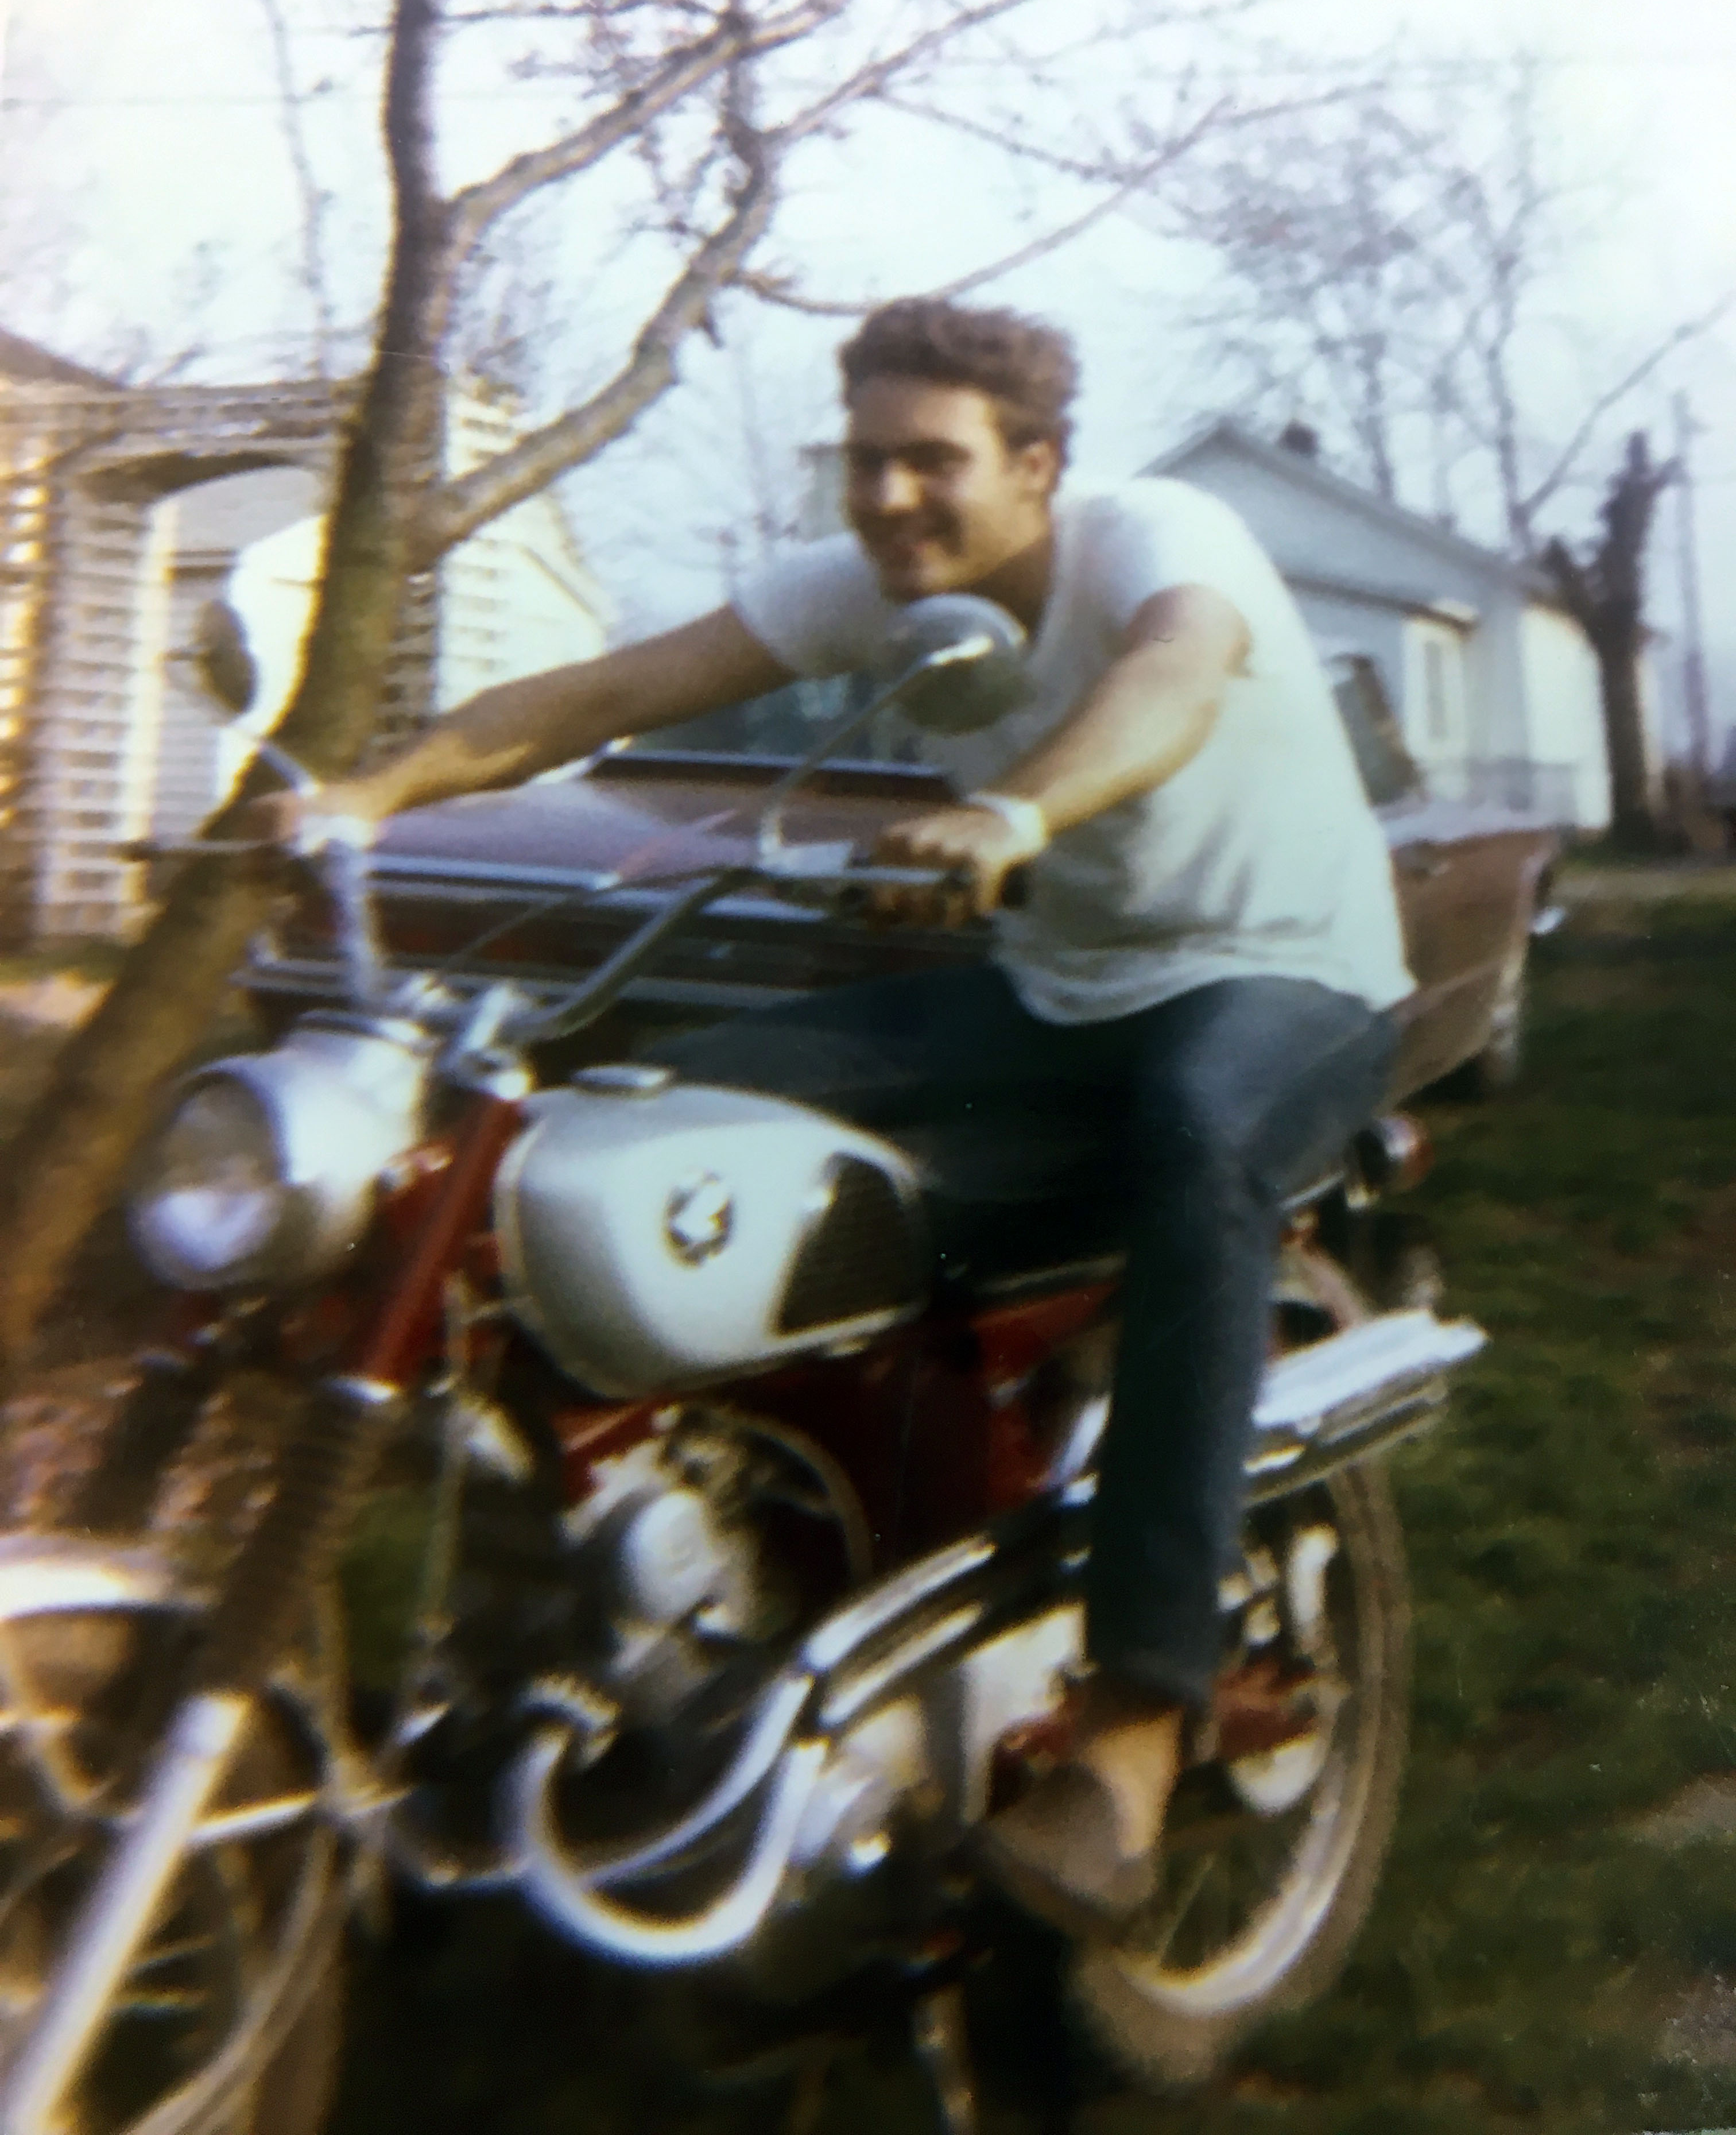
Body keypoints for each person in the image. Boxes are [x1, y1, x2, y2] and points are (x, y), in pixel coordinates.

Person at [265, 297, 1413, 1935]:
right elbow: (605, 691)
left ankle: (1133, 1747)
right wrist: (362, 800)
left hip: (1283, 976)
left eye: (930, 461)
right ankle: (663, 1553)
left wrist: (1012, 811)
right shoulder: (875, 595)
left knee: (1195, 1139)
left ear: (1037, 465)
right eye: (864, 461)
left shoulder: (1160, 533)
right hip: (1057, 995)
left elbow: (1172, 677)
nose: (886, 498)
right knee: (627, 1113)